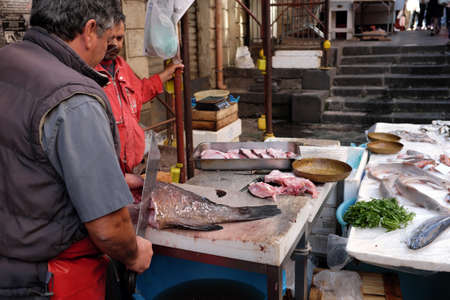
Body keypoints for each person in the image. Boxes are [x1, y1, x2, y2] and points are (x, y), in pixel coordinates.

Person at [0, 0, 153, 299]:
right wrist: (134, 253)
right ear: (90, 30)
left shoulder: (7, 60)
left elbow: (23, 161)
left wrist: (109, 181)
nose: (107, 49)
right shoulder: (74, 99)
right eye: (108, 38)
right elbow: (109, 227)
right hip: (48, 279)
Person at [95, 13, 183, 184]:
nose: (115, 44)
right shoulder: (88, 73)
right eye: (110, 38)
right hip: (108, 171)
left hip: (132, 164)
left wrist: (167, 73)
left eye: (119, 38)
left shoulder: (121, 66)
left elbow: (140, 91)